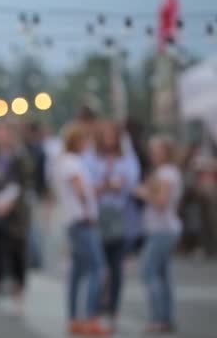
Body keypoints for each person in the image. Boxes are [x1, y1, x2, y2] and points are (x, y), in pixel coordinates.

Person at [52, 123, 109, 336]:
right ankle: (91, 317)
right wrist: (88, 209)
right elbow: (79, 189)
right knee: (97, 268)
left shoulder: (63, 162)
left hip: (72, 221)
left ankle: (75, 318)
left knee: (77, 272)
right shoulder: (72, 162)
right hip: (81, 221)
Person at [0, 121, 33, 316]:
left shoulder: (20, 156)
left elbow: (25, 184)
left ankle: (19, 301)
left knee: (18, 258)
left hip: (16, 218)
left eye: (2, 132)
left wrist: (9, 203)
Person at [90, 121, 139, 330]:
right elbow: (89, 182)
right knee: (100, 265)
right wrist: (105, 184)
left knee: (116, 265)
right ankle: (97, 307)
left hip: (119, 214)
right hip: (99, 214)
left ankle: (113, 308)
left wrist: (116, 183)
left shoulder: (126, 158)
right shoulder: (94, 158)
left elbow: (130, 182)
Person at [135, 135, 183, 334]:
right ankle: (165, 317)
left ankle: (158, 317)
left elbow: (161, 202)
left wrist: (143, 193)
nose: (153, 153)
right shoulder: (167, 172)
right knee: (163, 274)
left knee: (149, 272)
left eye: (157, 150)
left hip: (162, 229)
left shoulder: (166, 173)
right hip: (164, 228)